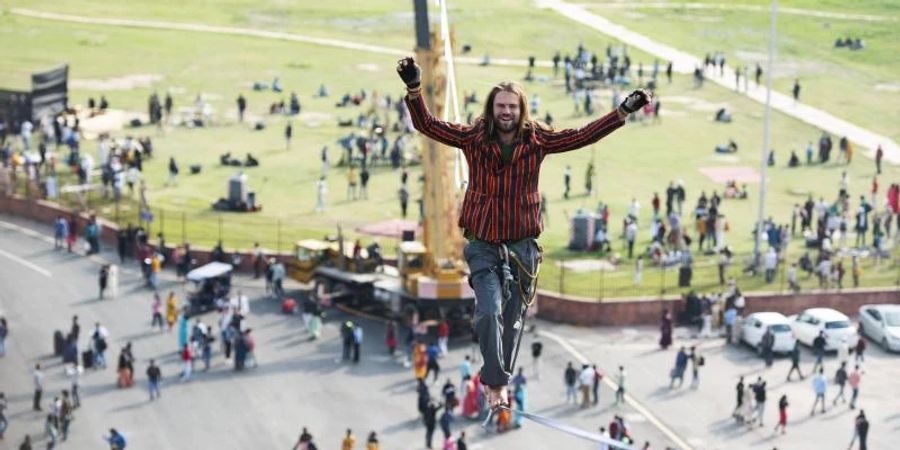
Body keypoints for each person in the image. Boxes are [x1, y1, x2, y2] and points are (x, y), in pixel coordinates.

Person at [397, 56, 649, 409]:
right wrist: (413, 87)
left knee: (513, 321)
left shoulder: (538, 140)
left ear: (521, 110)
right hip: (484, 243)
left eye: (512, 106)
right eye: (500, 106)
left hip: (522, 246)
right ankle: (494, 382)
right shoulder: (473, 138)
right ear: (491, 108)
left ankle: (498, 386)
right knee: (488, 312)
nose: (506, 112)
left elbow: (581, 136)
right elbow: (427, 125)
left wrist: (622, 111)